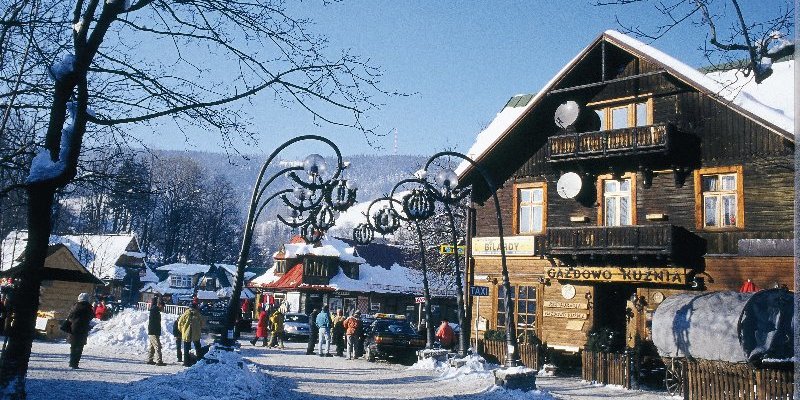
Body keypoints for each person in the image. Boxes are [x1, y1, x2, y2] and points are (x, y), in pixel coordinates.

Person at [67, 293, 93, 369]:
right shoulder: (88, 307)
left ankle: (71, 363)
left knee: (73, 346)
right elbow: (91, 316)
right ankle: (75, 364)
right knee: (79, 347)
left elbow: (70, 316)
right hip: (83, 329)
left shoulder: (74, 306)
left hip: (73, 328)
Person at [146, 297, 166, 366]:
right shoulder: (155, 310)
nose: (163, 309)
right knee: (158, 346)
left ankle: (150, 359)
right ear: (160, 305)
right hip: (153, 331)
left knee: (152, 346)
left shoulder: (155, 310)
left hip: (153, 331)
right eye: (162, 307)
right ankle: (159, 361)